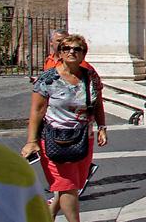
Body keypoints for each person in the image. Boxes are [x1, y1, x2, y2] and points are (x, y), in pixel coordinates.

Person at [21, 33, 106, 222]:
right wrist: (31, 141)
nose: (71, 52)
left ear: (84, 54)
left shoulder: (90, 76)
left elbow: (98, 103)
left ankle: (47, 217)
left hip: (84, 137)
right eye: (66, 49)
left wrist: (102, 126)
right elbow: (36, 111)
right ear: (59, 52)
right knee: (66, 186)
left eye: (77, 49)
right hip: (54, 138)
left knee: (73, 184)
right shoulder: (48, 79)